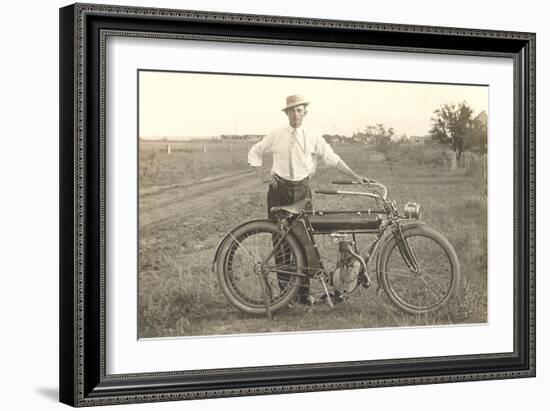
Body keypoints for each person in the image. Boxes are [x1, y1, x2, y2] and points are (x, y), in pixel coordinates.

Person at [247, 95, 370, 305]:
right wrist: (262, 175)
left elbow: (332, 158)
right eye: (291, 111)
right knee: (281, 242)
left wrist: (356, 177)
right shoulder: (276, 135)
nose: (295, 114)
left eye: (299, 110)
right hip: (279, 190)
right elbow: (255, 151)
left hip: (303, 192)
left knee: (305, 243)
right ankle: (287, 296)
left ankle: (304, 294)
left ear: (305, 113)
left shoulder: (313, 137)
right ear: (286, 113)